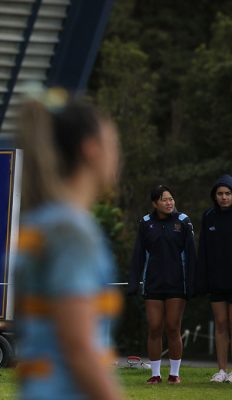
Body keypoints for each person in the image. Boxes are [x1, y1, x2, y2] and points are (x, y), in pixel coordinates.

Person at [14, 87, 123, 399]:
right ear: (91, 149)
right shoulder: (72, 232)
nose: (118, 156)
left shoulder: (40, 222)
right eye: (113, 143)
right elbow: (78, 347)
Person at [127, 185, 196, 384]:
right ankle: (155, 375)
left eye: (171, 199)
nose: (169, 203)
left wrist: (192, 284)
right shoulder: (146, 223)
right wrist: (133, 282)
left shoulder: (183, 221)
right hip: (153, 285)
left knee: (173, 327)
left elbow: (192, 255)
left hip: (177, 285)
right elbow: (138, 255)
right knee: (155, 327)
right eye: (164, 200)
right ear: (155, 203)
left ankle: (174, 374)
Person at [196, 174, 232, 383]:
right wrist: (202, 280)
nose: (224, 197)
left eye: (228, 193)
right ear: (214, 196)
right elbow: (204, 250)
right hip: (216, 281)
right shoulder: (208, 216)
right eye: (220, 194)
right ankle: (221, 370)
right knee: (220, 324)